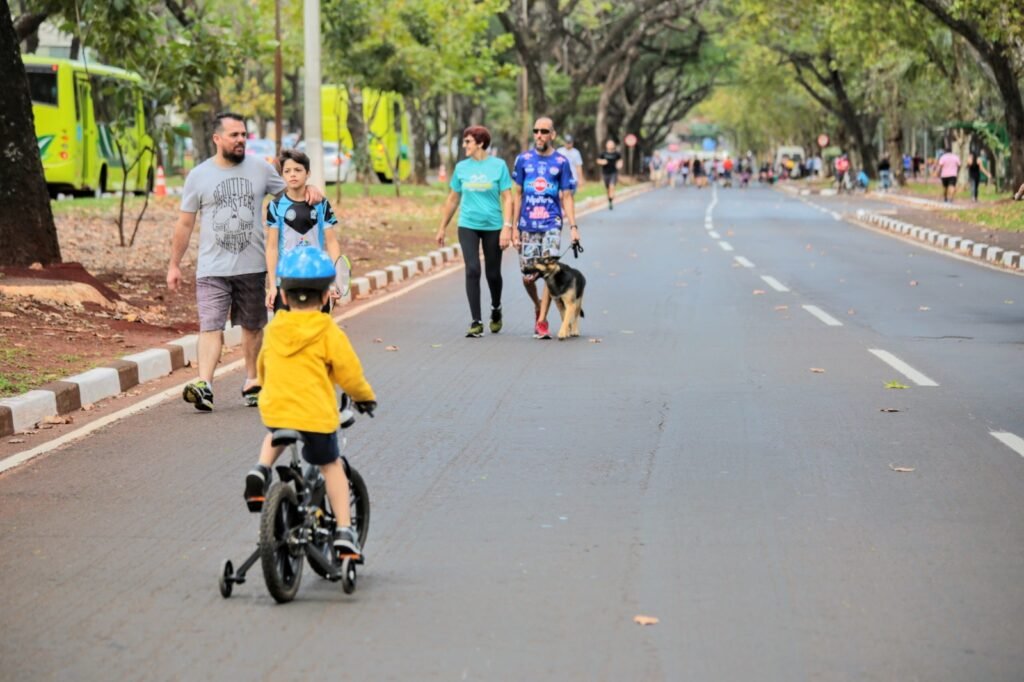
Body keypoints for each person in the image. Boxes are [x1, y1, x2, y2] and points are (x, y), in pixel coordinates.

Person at [167, 112, 324, 412]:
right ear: (217, 139)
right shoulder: (198, 175)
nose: (241, 140)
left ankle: (253, 381)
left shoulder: (261, 170)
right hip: (211, 268)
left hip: (252, 267)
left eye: (243, 134)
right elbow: (185, 224)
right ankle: (205, 385)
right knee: (210, 326)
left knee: (253, 328)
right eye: (234, 135)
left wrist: (311, 191)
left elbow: (290, 195)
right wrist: (174, 264)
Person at [243, 246, 377, 559]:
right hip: (316, 415)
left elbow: (262, 366)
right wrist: (364, 398)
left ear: (284, 297)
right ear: (327, 296)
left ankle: (261, 470)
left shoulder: (275, 328)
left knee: (275, 432)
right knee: (331, 467)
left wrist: (264, 386)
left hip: (277, 408)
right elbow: (349, 373)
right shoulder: (328, 330)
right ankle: (344, 530)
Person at [436, 126, 513, 337]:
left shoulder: (499, 166)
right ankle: (476, 321)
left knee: (493, 273)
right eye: (464, 141)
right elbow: (453, 199)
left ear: (480, 143)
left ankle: (496, 308)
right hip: (467, 224)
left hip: (493, 226)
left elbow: (508, 198)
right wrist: (442, 227)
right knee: (472, 269)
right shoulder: (461, 168)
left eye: (468, 141)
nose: (464, 145)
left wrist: (507, 227)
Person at [511, 116, 579, 339]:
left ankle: (541, 320)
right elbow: (517, 194)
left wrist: (573, 227)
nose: (539, 135)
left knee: (549, 272)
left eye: (544, 131)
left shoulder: (561, 162)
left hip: (552, 223)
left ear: (553, 135)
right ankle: (538, 304)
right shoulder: (523, 160)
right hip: (527, 225)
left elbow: (567, 197)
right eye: (536, 131)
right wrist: (513, 228)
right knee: (527, 276)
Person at [265, 149, 343, 313]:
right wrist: (272, 286)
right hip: (286, 281)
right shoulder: (275, 206)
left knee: (316, 333)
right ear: (282, 175)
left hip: (317, 279)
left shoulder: (321, 204)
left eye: (298, 170)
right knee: (287, 335)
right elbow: (271, 248)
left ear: (308, 173)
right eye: (287, 171)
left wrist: (335, 280)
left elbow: (331, 242)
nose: (292, 174)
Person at [596, 139, 623, 209]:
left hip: (613, 172)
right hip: (605, 173)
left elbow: (620, 161)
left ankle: (611, 200)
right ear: (606, 145)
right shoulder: (603, 153)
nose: (610, 145)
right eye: (609, 144)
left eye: (611, 144)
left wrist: (619, 165)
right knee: (607, 188)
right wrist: (602, 162)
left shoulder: (617, 154)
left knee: (612, 186)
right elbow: (598, 160)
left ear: (614, 145)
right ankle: (610, 200)